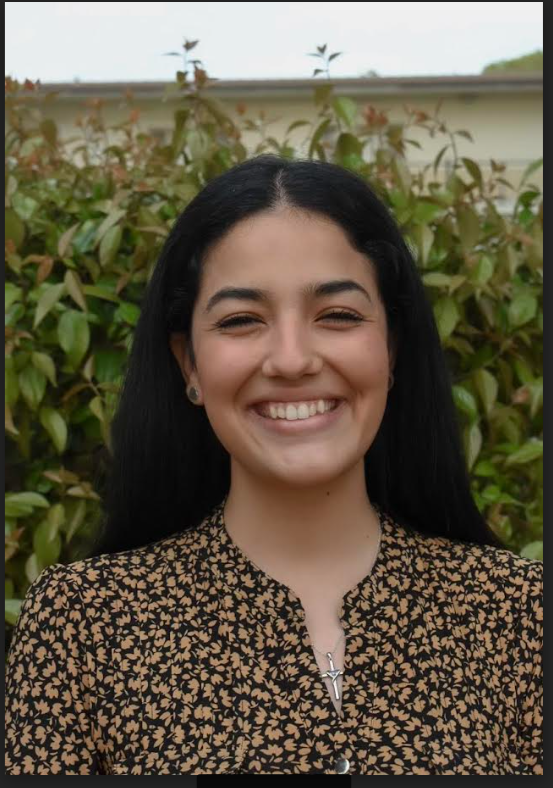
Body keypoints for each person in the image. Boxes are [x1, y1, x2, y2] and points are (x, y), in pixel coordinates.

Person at [5, 155, 542, 776]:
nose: (291, 359)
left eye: (337, 315)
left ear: (391, 346)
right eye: (241, 321)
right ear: (189, 365)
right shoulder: (84, 625)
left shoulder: (518, 614)